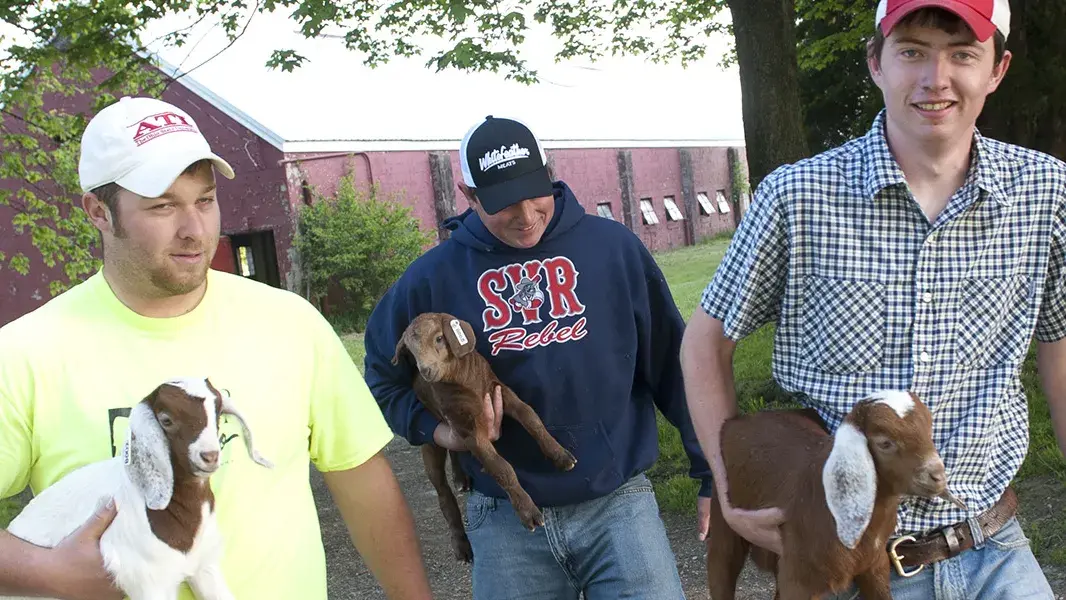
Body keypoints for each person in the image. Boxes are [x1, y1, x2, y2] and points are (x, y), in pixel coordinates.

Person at [681, 0, 1064, 597]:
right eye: (911, 51)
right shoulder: (797, 197)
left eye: (962, 54)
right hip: (838, 560)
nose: (935, 78)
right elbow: (705, 344)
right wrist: (727, 491)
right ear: (875, 63)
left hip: (994, 550)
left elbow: (1060, 350)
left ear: (997, 69)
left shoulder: (1047, 193)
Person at [0, 96, 433, 600]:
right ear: (98, 211)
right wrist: (43, 571)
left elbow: (363, 484)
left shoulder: (289, 323)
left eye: (204, 200)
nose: (194, 229)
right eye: (162, 206)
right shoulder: (26, 353)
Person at [363, 114, 713, 599]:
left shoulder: (612, 250)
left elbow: (673, 367)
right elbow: (381, 375)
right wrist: (437, 430)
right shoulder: (432, 277)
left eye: (535, 191)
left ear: (550, 172)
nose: (526, 214)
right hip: (503, 515)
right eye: (505, 202)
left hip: (617, 504)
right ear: (469, 195)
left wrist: (709, 469)